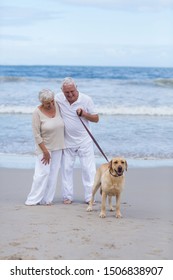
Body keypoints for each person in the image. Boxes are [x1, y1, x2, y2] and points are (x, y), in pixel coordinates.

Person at [55, 77, 99, 204]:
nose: (69, 95)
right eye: (66, 92)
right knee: (66, 169)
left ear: (76, 88)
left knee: (88, 170)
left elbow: (96, 118)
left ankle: (89, 198)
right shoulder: (58, 98)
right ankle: (67, 197)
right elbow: (47, 104)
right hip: (67, 141)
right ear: (62, 91)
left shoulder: (86, 99)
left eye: (72, 91)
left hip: (84, 141)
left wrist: (84, 114)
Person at [25, 89, 65, 206]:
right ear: (42, 102)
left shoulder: (57, 105)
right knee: (42, 174)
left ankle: (47, 199)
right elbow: (36, 134)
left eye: (52, 101)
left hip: (58, 146)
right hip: (44, 148)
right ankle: (32, 199)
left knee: (53, 173)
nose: (51, 104)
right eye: (48, 103)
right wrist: (45, 151)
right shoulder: (37, 112)